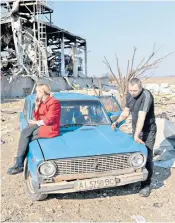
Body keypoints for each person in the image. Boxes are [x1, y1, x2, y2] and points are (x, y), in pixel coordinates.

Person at [112, 78, 157, 197]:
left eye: (135, 90)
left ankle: (145, 185)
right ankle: (131, 179)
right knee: (133, 155)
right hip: (136, 129)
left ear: (141, 88)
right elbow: (126, 113)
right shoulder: (129, 96)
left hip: (148, 131)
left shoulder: (146, 96)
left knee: (147, 156)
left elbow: (142, 117)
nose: (133, 93)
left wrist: (137, 135)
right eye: (131, 90)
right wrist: (117, 122)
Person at [7, 84, 61, 175]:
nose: (36, 93)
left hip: (50, 128)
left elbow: (49, 120)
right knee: (25, 133)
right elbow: (37, 116)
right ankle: (19, 163)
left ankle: (19, 164)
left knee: (27, 138)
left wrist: (36, 123)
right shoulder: (42, 102)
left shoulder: (54, 102)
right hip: (42, 124)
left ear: (43, 92)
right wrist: (36, 106)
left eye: (38, 91)